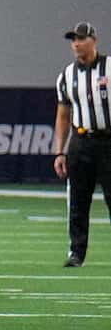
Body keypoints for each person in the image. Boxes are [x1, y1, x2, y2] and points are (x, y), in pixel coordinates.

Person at [56, 22, 108, 267]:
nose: (76, 44)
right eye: (73, 40)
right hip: (80, 141)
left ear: (93, 40)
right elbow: (63, 114)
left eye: (81, 38)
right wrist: (59, 151)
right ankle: (76, 253)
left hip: (108, 141)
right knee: (77, 200)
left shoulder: (110, 68)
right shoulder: (67, 75)